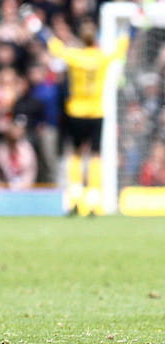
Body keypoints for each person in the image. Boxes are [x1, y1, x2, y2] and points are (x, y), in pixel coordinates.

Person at [42, 21, 128, 215]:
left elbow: (53, 45)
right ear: (95, 39)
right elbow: (121, 47)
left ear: (81, 39)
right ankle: (94, 200)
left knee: (76, 153)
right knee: (96, 155)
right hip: (96, 112)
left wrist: (39, 26)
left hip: (76, 111)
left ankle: (75, 197)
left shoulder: (74, 56)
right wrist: (129, 28)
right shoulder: (102, 57)